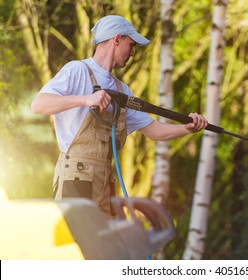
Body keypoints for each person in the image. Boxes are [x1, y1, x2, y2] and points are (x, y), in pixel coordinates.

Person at [31, 15, 208, 218]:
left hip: (105, 181)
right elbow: (39, 104)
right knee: (74, 245)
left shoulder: (122, 91)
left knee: (107, 247)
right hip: (76, 177)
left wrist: (187, 128)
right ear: (116, 40)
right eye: (131, 45)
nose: (133, 52)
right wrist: (86, 99)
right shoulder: (77, 70)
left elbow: (154, 130)